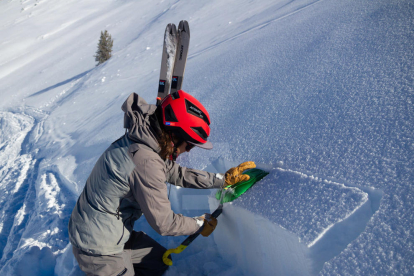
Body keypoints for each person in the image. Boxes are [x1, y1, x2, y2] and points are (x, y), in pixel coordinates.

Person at [68, 90, 255, 276]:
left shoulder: (143, 140)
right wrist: (198, 224)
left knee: (158, 261)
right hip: (99, 248)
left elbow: (176, 173)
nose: (188, 151)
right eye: (189, 145)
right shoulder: (145, 160)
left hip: (105, 228)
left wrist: (221, 180)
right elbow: (164, 223)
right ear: (174, 136)